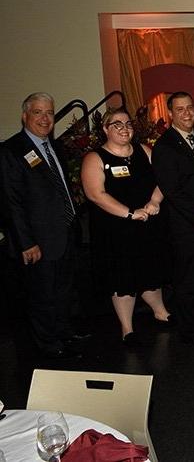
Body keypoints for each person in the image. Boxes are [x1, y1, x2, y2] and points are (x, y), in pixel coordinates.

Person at [0, 92, 82, 359]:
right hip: (37, 240)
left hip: (64, 234)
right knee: (42, 296)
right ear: (25, 116)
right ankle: (49, 345)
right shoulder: (11, 151)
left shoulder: (54, 146)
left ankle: (64, 333)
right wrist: (26, 242)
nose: (45, 118)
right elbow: (11, 202)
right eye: (38, 112)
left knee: (63, 291)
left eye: (49, 112)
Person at [81, 107, 172, 346]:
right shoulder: (95, 158)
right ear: (105, 129)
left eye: (128, 124)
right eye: (117, 124)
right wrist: (130, 214)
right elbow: (96, 195)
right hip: (115, 230)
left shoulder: (144, 151)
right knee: (123, 279)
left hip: (147, 225)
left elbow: (165, 178)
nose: (124, 128)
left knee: (150, 272)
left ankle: (161, 312)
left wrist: (154, 201)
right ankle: (127, 328)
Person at [151, 92, 194, 346]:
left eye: (190, 107)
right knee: (186, 278)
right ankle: (189, 332)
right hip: (183, 224)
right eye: (180, 109)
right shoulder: (165, 145)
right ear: (170, 113)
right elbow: (172, 190)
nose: (187, 113)